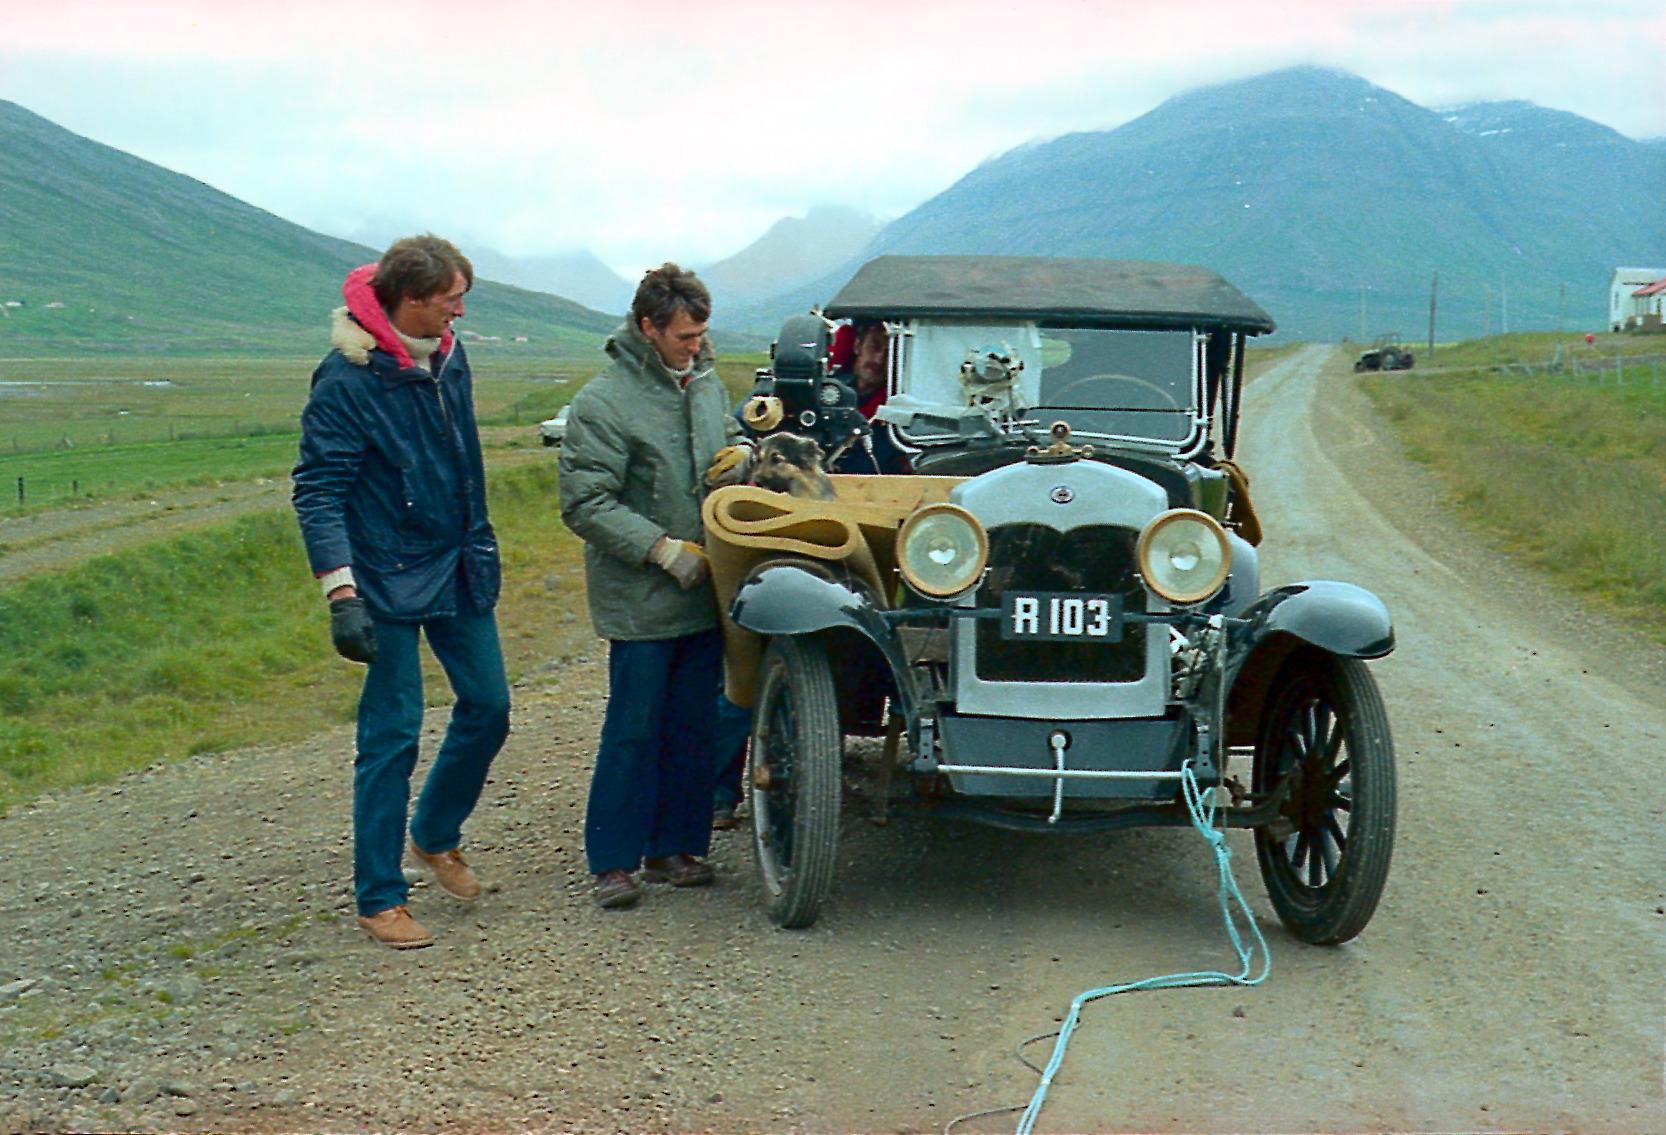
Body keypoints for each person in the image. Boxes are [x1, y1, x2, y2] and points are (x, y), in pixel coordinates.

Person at [292, 235, 510, 950]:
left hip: (458, 560)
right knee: (393, 735)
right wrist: (341, 592)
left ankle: (434, 832)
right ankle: (379, 897)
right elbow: (318, 490)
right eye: (450, 299)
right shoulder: (346, 379)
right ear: (409, 299)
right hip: (382, 575)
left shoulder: (449, 353)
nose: (459, 312)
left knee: (489, 706)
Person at [559, 263, 746, 910]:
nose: (696, 345)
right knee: (633, 728)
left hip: (704, 591)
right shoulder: (604, 402)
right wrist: (662, 550)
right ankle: (612, 861)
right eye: (684, 336)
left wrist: (741, 458)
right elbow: (585, 502)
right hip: (641, 597)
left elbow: (724, 448)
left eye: (701, 334)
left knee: (693, 724)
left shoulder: (706, 386)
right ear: (648, 327)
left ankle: (675, 848)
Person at [831, 319, 911, 475]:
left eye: (889, 353)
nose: (879, 359)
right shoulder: (826, 393)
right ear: (857, 345)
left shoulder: (899, 415)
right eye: (875, 346)